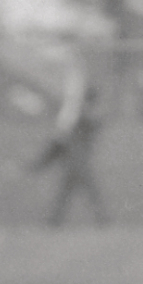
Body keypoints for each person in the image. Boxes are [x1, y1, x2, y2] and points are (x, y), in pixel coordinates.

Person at [31, 68, 108, 227]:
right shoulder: (82, 119)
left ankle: (56, 222)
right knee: (76, 194)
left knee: (72, 194)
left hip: (76, 163)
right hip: (77, 164)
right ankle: (101, 221)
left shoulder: (82, 119)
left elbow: (86, 125)